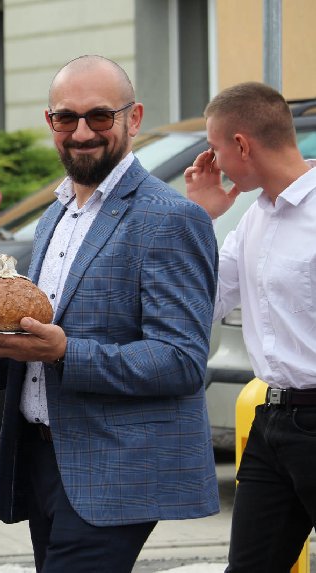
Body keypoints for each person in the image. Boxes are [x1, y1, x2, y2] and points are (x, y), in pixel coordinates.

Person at [0, 55, 220, 572]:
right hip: (41, 458)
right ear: (50, 122)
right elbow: (34, 351)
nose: (82, 132)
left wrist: (65, 351)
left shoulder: (171, 219)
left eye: (100, 116)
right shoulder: (54, 217)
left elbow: (181, 361)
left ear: (133, 118)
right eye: (66, 117)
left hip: (116, 468)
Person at [184, 82, 316, 573]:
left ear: (241, 145)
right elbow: (201, 303)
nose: (211, 162)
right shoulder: (254, 218)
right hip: (272, 420)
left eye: (214, 148)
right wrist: (201, 218)